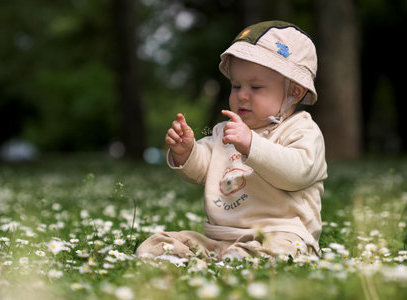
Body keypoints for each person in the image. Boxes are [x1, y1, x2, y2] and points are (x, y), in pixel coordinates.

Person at [136, 20, 327, 260]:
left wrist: (252, 146)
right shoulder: (225, 131)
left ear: (294, 92)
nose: (242, 95)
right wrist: (186, 152)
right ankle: (186, 258)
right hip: (221, 238)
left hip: (282, 233)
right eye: (236, 86)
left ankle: (246, 258)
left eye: (256, 87)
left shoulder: (302, 131)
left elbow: (297, 172)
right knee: (160, 243)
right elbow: (203, 169)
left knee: (282, 249)